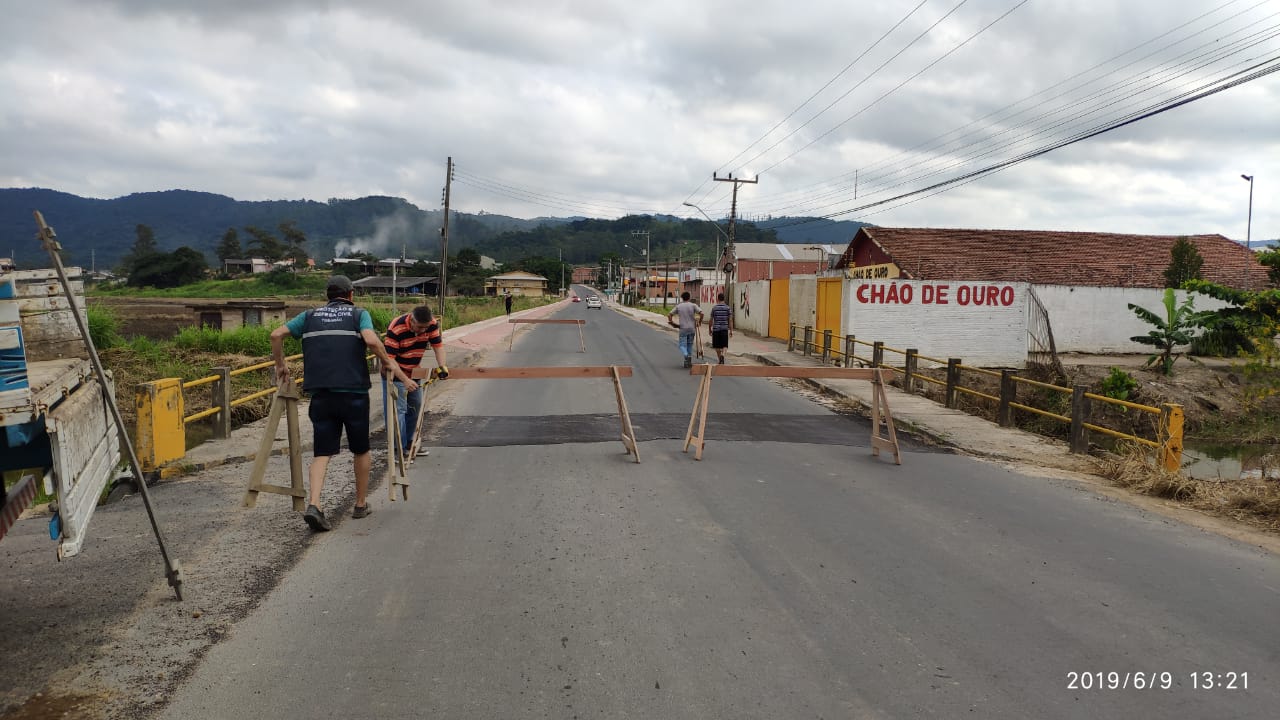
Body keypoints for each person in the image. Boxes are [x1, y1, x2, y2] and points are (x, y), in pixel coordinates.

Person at [270, 275, 416, 532]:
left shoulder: (309, 316)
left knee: (322, 452)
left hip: (321, 394)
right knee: (360, 449)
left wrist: (280, 365)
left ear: (327, 296)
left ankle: (314, 504)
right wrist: (385, 361)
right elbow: (371, 341)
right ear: (350, 295)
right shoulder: (358, 314)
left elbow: (276, 334)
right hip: (353, 394)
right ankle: (360, 504)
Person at [384, 305, 448, 460]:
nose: (422, 331)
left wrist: (442, 367)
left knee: (416, 407)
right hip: (395, 373)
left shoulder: (431, 324)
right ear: (411, 320)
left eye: (425, 328)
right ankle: (397, 449)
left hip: (414, 371)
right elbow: (389, 361)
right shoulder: (396, 328)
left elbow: (438, 347)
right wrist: (405, 380)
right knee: (398, 411)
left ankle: (410, 444)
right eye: (419, 327)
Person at [667, 291, 704, 368]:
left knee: (682, 345)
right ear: (689, 297)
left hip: (683, 328)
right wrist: (700, 322)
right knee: (689, 345)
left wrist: (672, 322)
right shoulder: (693, 305)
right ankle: (688, 361)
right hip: (692, 328)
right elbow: (702, 313)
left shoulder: (679, 306)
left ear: (682, 298)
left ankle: (686, 355)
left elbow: (669, 314)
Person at [709, 292, 733, 365]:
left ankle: (720, 359)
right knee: (725, 345)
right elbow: (730, 320)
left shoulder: (714, 308)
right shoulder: (728, 308)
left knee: (716, 346)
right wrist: (731, 330)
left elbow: (711, 319)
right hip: (724, 329)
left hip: (716, 329)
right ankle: (723, 355)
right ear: (723, 299)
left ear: (718, 299)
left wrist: (710, 328)